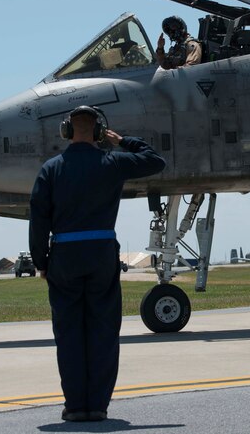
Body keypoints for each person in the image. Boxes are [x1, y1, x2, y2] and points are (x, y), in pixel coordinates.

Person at [29, 105, 166, 422]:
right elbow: (155, 161)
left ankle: (76, 406)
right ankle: (98, 406)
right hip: (102, 253)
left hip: (64, 255)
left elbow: (38, 219)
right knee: (103, 332)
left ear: (66, 131)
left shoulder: (51, 169)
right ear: (99, 131)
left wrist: (41, 261)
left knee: (69, 333)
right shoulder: (113, 161)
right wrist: (123, 141)